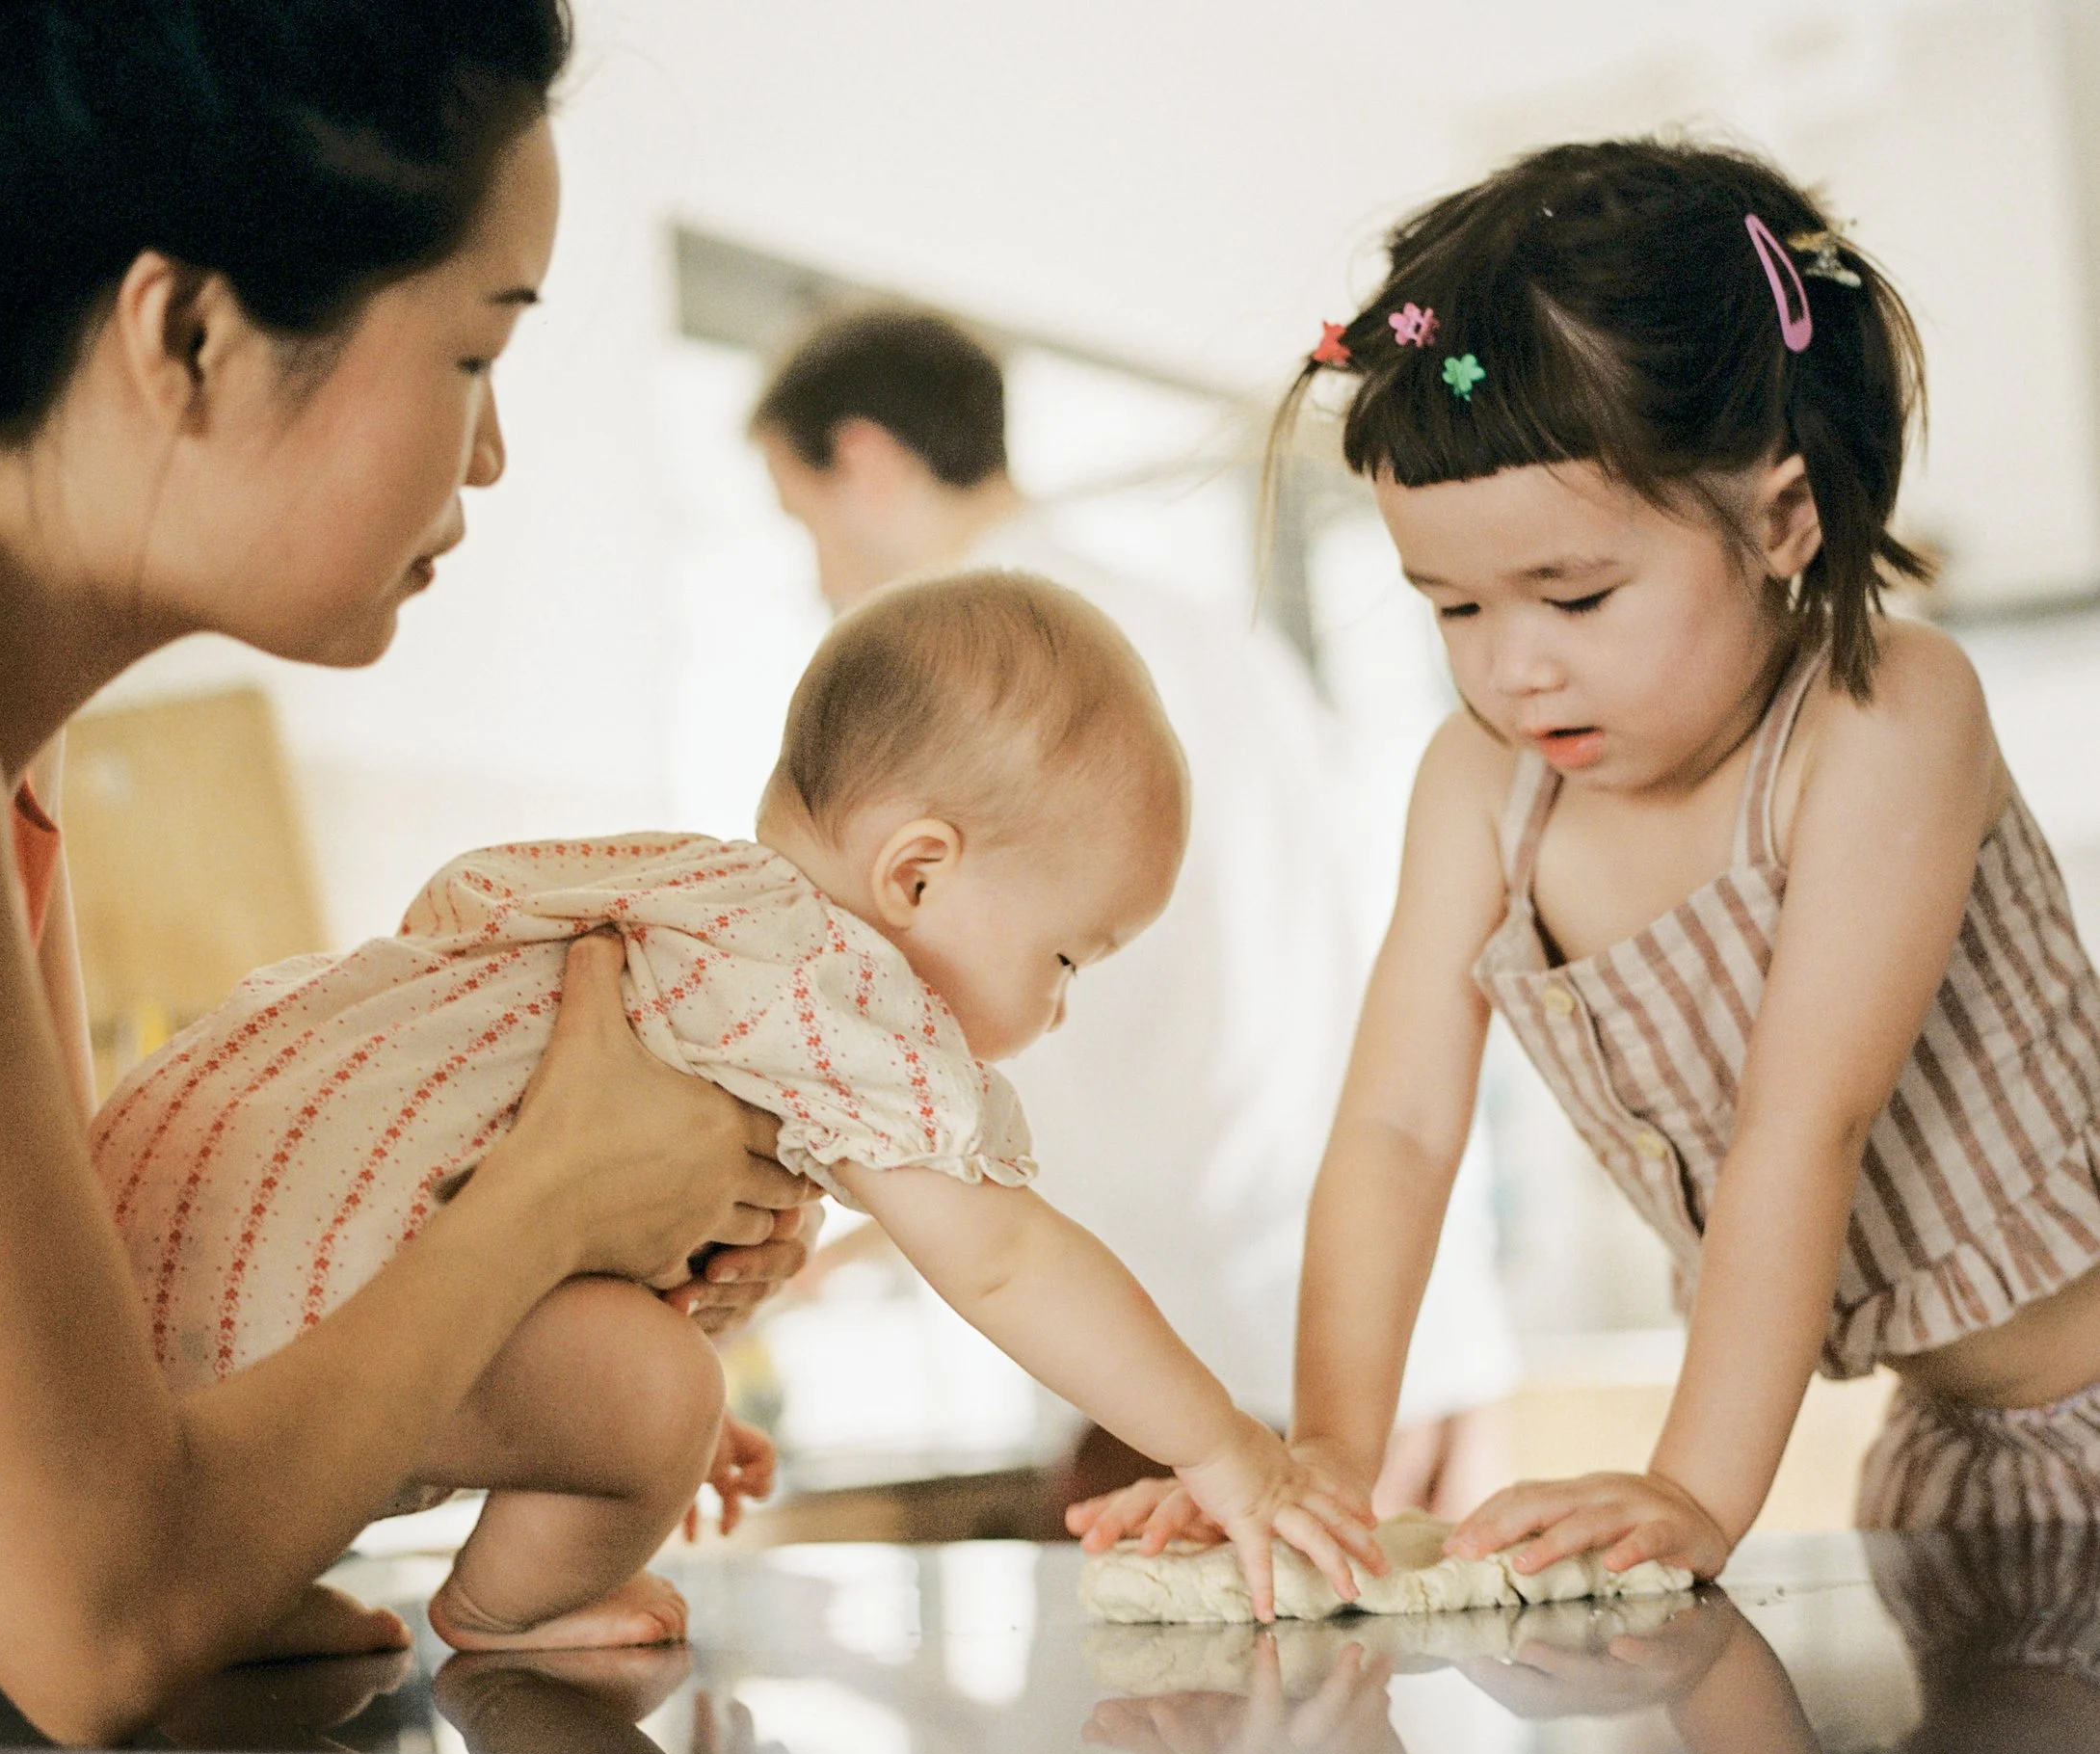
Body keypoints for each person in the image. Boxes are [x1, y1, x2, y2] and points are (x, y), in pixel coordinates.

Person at [0, 3, 821, 1754]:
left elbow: (94, 1416)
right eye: (471, 353)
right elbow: (100, 1615)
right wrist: (540, 1201)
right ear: (192, 333)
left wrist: (584, 1278)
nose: (495, 453)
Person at [1077, 138, 2100, 1584]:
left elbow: (1800, 1128)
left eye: (1575, 593)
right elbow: (1397, 1130)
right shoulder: (1480, 793)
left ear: (1782, 518)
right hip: (1961, 1447)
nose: (1513, 668)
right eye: (1451, 607)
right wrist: (1328, 1455)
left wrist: (1689, 1486)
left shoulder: (1884, 717)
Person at [99, 570, 1388, 1636]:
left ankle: (242, 1596)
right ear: (918, 873)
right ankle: (511, 1612)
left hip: (155, 1269)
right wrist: (1226, 1447)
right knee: (658, 1392)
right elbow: (1002, 1260)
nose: (1059, 1012)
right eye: (1066, 959)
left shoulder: (682, 903)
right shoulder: (840, 984)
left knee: (657, 1388)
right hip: (310, 1319)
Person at [749, 306, 1518, 1522]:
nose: (817, 576)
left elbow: (1038, 1050)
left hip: (1195, 1359)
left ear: (869, 462)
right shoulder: (1202, 642)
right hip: (1394, 1327)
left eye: (802, 522)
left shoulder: (977, 695)